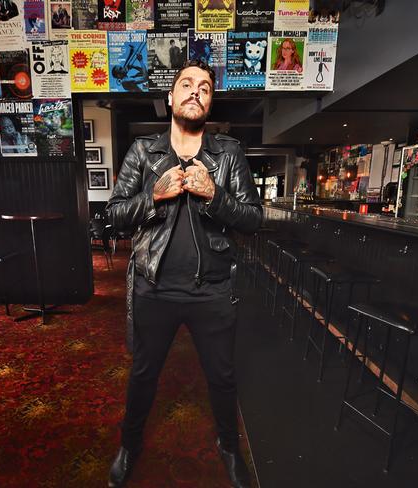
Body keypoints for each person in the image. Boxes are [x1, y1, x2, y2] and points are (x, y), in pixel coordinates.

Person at [105, 59, 261, 488]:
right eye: (187, 84)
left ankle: (228, 447)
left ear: (209, 102)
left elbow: (252, 218)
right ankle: (129, 445)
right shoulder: (144, 152)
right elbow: (114, 215)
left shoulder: (228, 154)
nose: (196, 91)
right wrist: (153, 197)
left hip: (212, 291)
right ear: (170, 98)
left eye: (205, 87)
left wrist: (216, 196)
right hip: (153, 287)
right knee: (142, 375)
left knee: (223, 377)